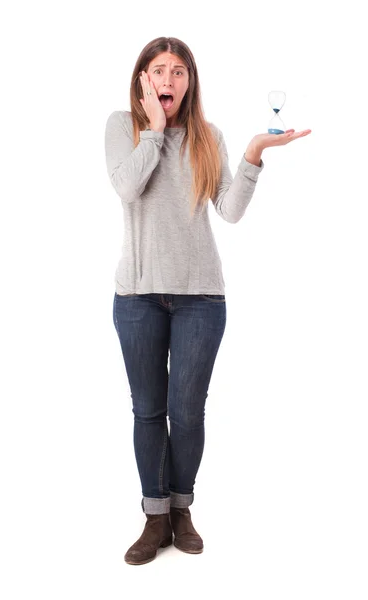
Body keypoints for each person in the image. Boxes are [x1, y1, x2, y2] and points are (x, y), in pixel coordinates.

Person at [104, 36, 311, 566]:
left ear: (189, 81)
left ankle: (181, 509)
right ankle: (154, 517)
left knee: (186, 412)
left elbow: (230, 210)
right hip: (138, 296)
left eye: (178, 72)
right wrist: (153, 131)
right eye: (158, 71)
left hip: (201, 298)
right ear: (143, 79)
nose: (168, 80)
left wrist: (252, 155)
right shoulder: (122, 128)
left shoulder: (206, 136)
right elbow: (127, 188)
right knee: (148, 411)